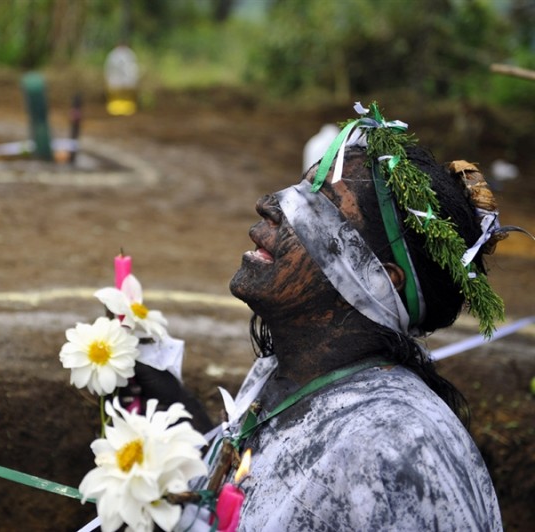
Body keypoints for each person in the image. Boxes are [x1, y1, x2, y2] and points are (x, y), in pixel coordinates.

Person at [136, 103, 513, 530]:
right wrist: (172, 409)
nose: (268, 204)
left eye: (319, 206)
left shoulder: (398, 453)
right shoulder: (286, 378)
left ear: (375, 281)